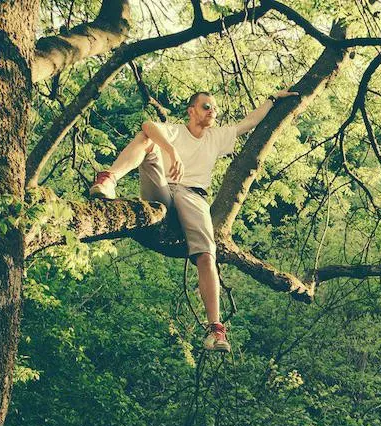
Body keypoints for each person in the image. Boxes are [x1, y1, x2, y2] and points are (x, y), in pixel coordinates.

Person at [89, 88, 298, 352]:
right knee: (147, 138)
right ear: (192, 110)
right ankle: (108, 180)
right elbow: (148, 125)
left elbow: (250, 122)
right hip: (163, 191)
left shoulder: (215, 137)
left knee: (207, 254)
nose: (213, 112)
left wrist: (272, 98)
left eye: (215, 108)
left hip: (194, 197)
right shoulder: (176, 131)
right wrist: (171, 152)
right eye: (207, 106)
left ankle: (216, 330)